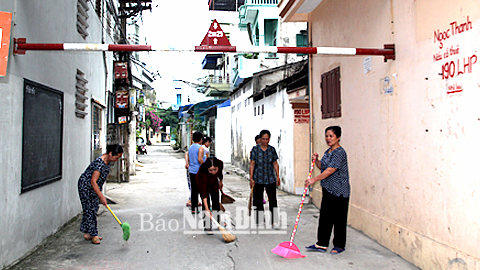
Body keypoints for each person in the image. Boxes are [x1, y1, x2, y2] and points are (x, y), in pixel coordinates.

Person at [305, 126, 350, 254]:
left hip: (340, 191)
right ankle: (321, 244)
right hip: (328, 189)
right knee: (325, 217)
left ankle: (339, 245)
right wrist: (316, 161)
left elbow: (331, 170)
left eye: (331, 136)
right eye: (326, 136)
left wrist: (314, 180)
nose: (328, 139)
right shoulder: (328, 152)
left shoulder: (340, 153)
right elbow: (323, 167)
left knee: (339, 219)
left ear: (338, 137)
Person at [78, 144, 123, 244]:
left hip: (94, 188)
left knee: (93, 208)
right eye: (116, 157)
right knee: (89, 209)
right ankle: (94, 235)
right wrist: (101, 196)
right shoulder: (100, 163)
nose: (116, 160)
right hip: (86, 186)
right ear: (110, 153)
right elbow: (93, 181)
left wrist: (99, 193)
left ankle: (87, 233)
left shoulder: (108, 161)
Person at [249, 129, 281, 226]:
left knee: (273, 199)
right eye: (263, 139)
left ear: (269, 139)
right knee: (258, 199)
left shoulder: (272, 150)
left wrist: (278, 176)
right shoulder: (255, 150)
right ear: (260, 139)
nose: (265, 141)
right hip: (258, 178)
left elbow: (275, 163)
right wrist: (251, 178)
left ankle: (274, 220)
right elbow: (252, 164)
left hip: (270, 178)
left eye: (267, 139)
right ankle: (259, 219)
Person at [196, 157, 224, 234]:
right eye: (210, 170)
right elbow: (204, 194)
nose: (213, 172)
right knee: (206, 205)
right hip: (202, 183)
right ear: (207, 169)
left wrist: (220, 182)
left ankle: (217, 221)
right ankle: (207, 226)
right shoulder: (204, 172)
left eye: (215, 169)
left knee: (216, 201)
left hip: (214, 182)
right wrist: (207, 209)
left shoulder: (220, 164)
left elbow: (220, 173)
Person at [186, 131, 204, 213]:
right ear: (201, 139)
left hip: (191, 171)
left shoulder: (190, 147)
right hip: (199, 171)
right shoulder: (200, 148)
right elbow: (200, 159)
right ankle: (205, 207)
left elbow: (189, 159)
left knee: (194, 190)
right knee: (202, 189)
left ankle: (194, 208)